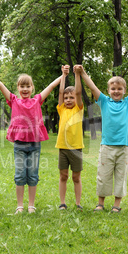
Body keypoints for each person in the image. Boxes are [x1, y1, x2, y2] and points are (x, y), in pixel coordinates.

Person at [0, 63, 69, 214]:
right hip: (19, 145)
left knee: (33, 175)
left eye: (28, 86)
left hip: (35, 144)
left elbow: (51, 86)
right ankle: (20, 205)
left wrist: (63, 75)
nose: (25, 89)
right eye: (22, 86)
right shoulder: (14, 100)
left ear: (32, 88)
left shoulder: (37, 100)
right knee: (20, 175)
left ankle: (31, 205)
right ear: (18, 87)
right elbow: (0, 84)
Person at [77, 58, 128, 213]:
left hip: (124, 148)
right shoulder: (104, 102)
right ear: (108, 90)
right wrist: (82, 73)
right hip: (106, 147)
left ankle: (116, 205)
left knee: (121, 176)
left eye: (119, 88)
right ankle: (100, 204)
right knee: (103, 175)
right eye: (113, 88)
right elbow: (92, 86)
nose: (116, 91)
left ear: (124, 90)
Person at [55, 65, 84, 211]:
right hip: (63, 148)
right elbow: (61, 91)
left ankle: (78, 203)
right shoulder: (62, 109)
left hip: (76, 148)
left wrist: (77, 75)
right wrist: (63, 75)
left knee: (76, 177)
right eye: (66, 98)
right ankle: (62, 203)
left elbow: (78, 92)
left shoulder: (78, 109)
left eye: (71, 97)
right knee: (63, 176)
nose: (68, 99)